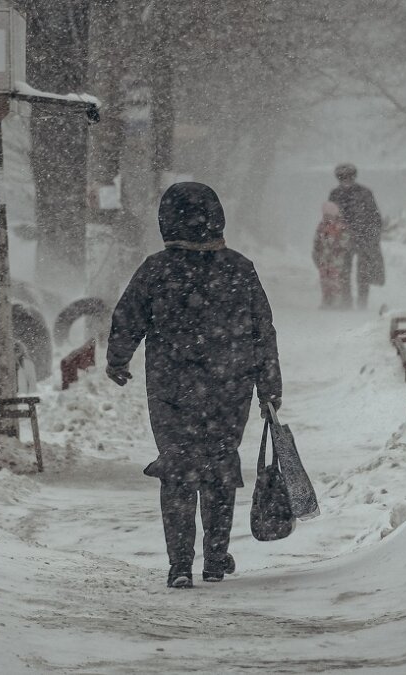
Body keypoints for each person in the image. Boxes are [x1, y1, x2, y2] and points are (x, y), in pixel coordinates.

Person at [106, 182, 283, 589]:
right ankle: (216, 558)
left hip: (171, 388)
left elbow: (128, 317)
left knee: (178, 465)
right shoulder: (238, 268)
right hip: (229, 384)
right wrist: (268, 386)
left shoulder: (156, 269)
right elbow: (262, 331)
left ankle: (179, 564)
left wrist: (119, 359)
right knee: (221, 465)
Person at [328, 163, 385, 308]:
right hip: (343, 239)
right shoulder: (335, 194)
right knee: (343, 271)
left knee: (363, 272)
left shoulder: (365, 193)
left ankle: (362, 302)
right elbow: (330, 217)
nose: (346, 179)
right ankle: (346, 301)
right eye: (342, 177)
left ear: (354, 176)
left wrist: (372, 236)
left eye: (348, 176)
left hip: (363, 238)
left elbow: (375, 216)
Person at [312, 201, 352, 308]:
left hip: (336, 259)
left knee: (335, 280)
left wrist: (337, 246)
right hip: (324, 258)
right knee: (324, 280)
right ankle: (326, 300)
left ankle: (336, 301)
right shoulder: (321, 226)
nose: (327, 218)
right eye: (325, 215)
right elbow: (317, 240)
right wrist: (317, 251)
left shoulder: (341, 226)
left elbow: (345, 240)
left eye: (329, 215)